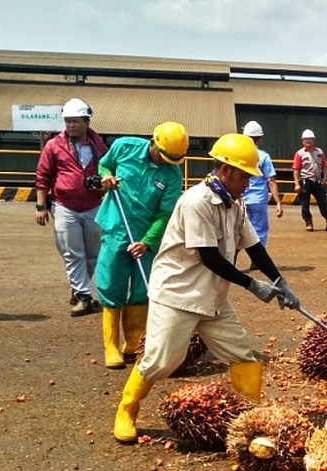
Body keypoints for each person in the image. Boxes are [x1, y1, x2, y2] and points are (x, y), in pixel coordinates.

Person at [113, 133, 301, 444]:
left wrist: (280, 280)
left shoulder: (234, 203)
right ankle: (127, 410)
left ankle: (247, 420)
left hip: (212, 296)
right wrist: (254, 285)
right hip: (179, 294)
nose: (248, 184)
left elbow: (253, 246)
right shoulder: (196, 201)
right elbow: (209, 256)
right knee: (161, 362)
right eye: (244, 176)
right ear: (225, 170)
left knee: (244, 356)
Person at [94, 121, 189, 369]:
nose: (166, 163)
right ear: (152, 142)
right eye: (164, 157)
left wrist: (147, 242)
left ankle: (133, 344)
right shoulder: (124, 146)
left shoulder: (172, 173)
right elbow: (105, 164)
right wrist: (106, 177)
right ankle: (111, 346)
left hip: (147, 235)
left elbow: (164, 214)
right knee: (111, 283)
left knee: (142, 288)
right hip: (117, 225)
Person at [34, 97, 108, 316]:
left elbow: (107, 169)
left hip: (93, 205)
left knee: (93, 253)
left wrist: (102, 184)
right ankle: (84, 296)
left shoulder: (98, 145)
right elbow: (42, 176)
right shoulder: (54, 146)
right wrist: (41, 206)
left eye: (75, 121)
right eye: (67, 121)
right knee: (73, 252)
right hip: (65, 206)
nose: (70, 126)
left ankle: (78, 290)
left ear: (87, 121)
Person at [241, 120, 283, 254]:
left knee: (237, 229)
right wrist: (278, 202)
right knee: (259, 230)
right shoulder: (264, 157)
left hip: (241, 199)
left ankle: (232, 258)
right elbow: (271, 180)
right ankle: (257, 259)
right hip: (258, 199)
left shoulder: (240, 155)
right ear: (260, 140)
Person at [292, 128, 327, 232]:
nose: (308, 142)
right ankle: (308, 223)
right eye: (305, 140)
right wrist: (296, 184)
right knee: (305, 203)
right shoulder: (299, 154)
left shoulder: (319, 152)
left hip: (317, 181)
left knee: (324, 202)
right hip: (305, 181)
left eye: (310, 140)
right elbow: (296, 170)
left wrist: (325, 178)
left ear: (314, 141)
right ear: (302, 141)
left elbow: (324, 166)